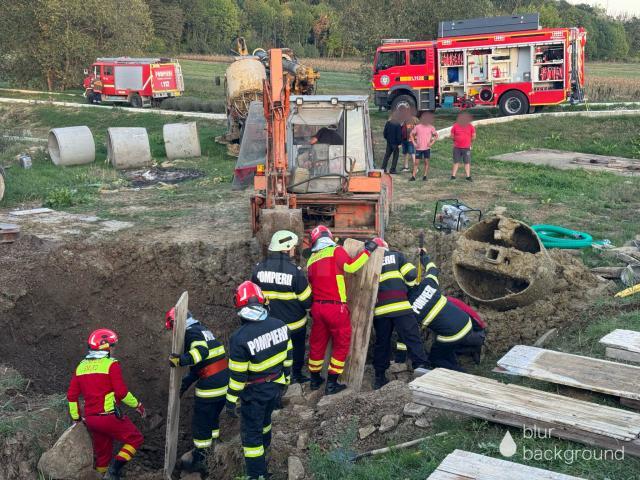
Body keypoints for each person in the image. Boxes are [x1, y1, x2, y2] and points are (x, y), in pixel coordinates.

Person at [225, 281, 292, 480]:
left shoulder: (239, 338)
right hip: (276, 386)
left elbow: (238, 376)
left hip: (254, 394)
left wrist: (230, 401)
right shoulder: (280, 325)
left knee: (251, 436)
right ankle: (266, 455)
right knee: (265, 423)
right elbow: (288, 358)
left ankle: (257, 475)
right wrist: (286, 380)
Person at [306, 225, 378, 394]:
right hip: (335, 308)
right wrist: (367, 250)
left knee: (317, 343)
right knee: (341, 343)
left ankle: (315, 379)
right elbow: (351, 268)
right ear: (329, 237)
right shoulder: (335, 251)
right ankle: (332, 383)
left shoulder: (312, 260)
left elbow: (318, 281)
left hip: (317, 307)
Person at [67, 329, 145, 479]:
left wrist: (76, 418)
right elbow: (121, 393)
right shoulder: (111, 364)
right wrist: (137, 405)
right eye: (112, 345)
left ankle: (101, 475)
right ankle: (114, 471)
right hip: (108, 417)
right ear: (105, 347)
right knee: (135, 439)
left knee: (103, 456)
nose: (114, 349)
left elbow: (71, 396)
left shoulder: (81, 366)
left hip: (91, 420)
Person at [166, 309, 229, 474]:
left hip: (211, 387)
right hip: (224, 382)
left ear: (177, 324)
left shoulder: (191, 333)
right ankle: (214, 447)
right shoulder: (203, 330)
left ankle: (201, 460)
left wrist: (180, 360)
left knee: (201, 425)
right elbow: (198, 369)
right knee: (212, 419)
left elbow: (201, 353)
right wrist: (183, 386)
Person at [252, 230, 312, 384]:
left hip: (269, 324)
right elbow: (307, 301)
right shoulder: (295, 272)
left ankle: (275, 378)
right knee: (296, 349)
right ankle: (296, 375)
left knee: (274, 352)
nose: (294, 250)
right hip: (294, 325)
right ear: (286, 249)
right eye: (292, 247)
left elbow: (254, 296)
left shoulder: (259, 269)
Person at [408, 252, 486, 371]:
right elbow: (433, 269)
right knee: (444, 348)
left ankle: (460, 373)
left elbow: (410, 335)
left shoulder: (411, 307)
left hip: (453, 334)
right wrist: (424, 257)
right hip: (467, 322)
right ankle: (457, 361)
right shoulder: (427, 284)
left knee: (435, 359)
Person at [371, 238, 429, 389]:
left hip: (380, 310)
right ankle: (421, 370)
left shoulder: (369, 261)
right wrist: (409, 288)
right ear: (386, 247)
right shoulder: (397, 256)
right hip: (400, 306)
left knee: (382, 343)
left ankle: (379, 377)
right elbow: (411, 275)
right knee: (412, 337)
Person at [410, 111, 438, 181]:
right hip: (419, 148)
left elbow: (436, 135)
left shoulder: (431, 127)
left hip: (427, 148)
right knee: (416, 163)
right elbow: (411, 135)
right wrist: (414, 143)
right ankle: (413, 176)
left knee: (426, 162)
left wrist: (432, 143)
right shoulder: (417, 127)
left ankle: (425, 176)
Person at [450, 111, 476, 182]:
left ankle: (468, 176)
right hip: (457, 147)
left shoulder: (470, 126)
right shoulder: (455, 126)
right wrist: (456, 140)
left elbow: (474, 136)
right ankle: (453, 176)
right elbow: (452, 136)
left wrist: (469, 142)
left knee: (467, 162)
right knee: (456, 161)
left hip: (466, 148)